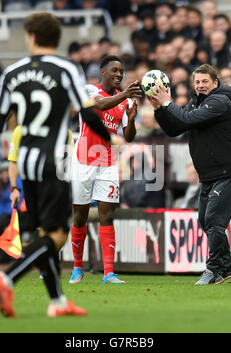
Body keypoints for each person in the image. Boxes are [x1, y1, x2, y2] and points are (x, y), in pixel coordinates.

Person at [0, 12, 112, 318]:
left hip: (26, 165)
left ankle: (58, 302)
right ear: (56, 38)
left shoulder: (12, 72)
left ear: (30, 36)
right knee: (57, 235)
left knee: (43, 234)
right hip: (52, 163)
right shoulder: (66, 68)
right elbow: (86, 113)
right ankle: (7, 278)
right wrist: (112, 139)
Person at [148, 63, 231, 285]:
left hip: (229, 171)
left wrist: (168, 103)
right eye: (197, 82)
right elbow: (175, 129)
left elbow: (187, 120)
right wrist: (158, 109)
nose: (200, 85)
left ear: (215, 83)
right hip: (210, 174)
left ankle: (213, 270)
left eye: (205, 82)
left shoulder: (219, 101)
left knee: (213, 220)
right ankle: (227, 265)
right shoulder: (196, 102)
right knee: (205, 220)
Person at [69, 55, 141, 285]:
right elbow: (99, 105)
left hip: (108, 163)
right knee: (79, 216)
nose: (119, 74)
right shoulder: (90, 90)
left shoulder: (125, 101)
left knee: (107, 215)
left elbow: (128, 137)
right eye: (114, 70)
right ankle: (77, 268)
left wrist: (131, 120)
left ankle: (109, 272)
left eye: (121, 71)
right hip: (82, 161)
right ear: (103, 71)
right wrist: (126, 95)